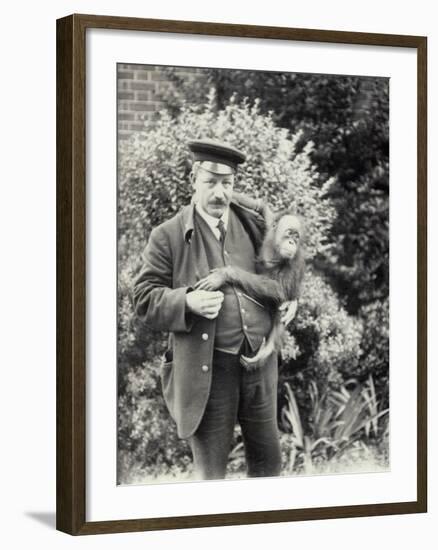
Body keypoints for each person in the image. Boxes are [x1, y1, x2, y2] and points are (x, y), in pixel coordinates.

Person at [132, 138, 296, 480]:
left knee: (269, 468)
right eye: (211, 182)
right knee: (211, 479)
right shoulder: (168, 236)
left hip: (259, 367)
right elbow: (144, 298)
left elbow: (280, 266)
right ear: (194, 179)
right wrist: (187, 301)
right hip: (208, 372)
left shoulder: (252, 222)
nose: (220, 193)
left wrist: (291, 296)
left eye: (227, 183)